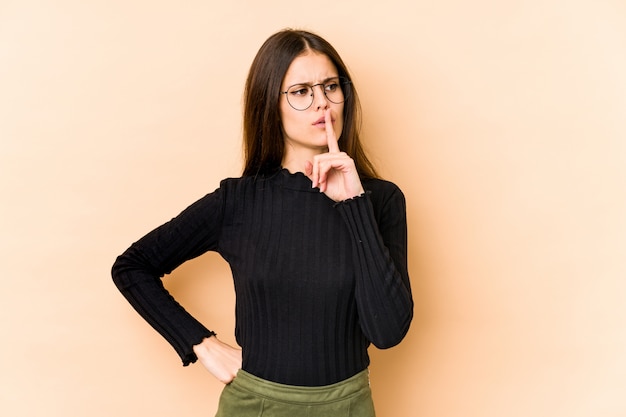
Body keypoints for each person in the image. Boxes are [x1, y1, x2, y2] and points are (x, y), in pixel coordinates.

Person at [112, 28, 413, 417]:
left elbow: (387, 332)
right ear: (270, 104)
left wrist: (354, 203)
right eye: (302, 92)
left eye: (331, 86)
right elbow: (132, 267)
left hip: (348, 406)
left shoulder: (381, 200)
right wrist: (201, 343)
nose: (323, 103)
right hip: (253, 407)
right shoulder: (237, 202)